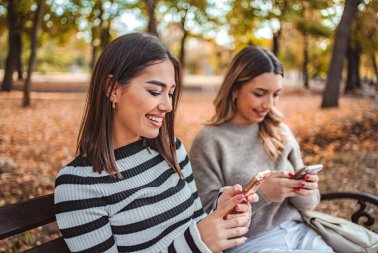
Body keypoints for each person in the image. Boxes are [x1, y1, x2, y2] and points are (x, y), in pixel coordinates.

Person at [54, 33, 258, 253]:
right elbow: (196, 242)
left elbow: (196, 225)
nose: (168, 106)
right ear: (113, 88)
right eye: (154, 91)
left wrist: (222, 212)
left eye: (170, 93)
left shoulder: (173, 150)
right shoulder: (79, 185)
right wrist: (197, 243)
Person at [189, 46, 334, 253]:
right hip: (250, 243)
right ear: (235, 89)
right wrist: (263, 194)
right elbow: (207, 216)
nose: (269, 104)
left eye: (276, 94)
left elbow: (309, 204)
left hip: (300, 232)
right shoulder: (210, 141)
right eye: (259, 94)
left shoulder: (279, 130)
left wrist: (306, 190)